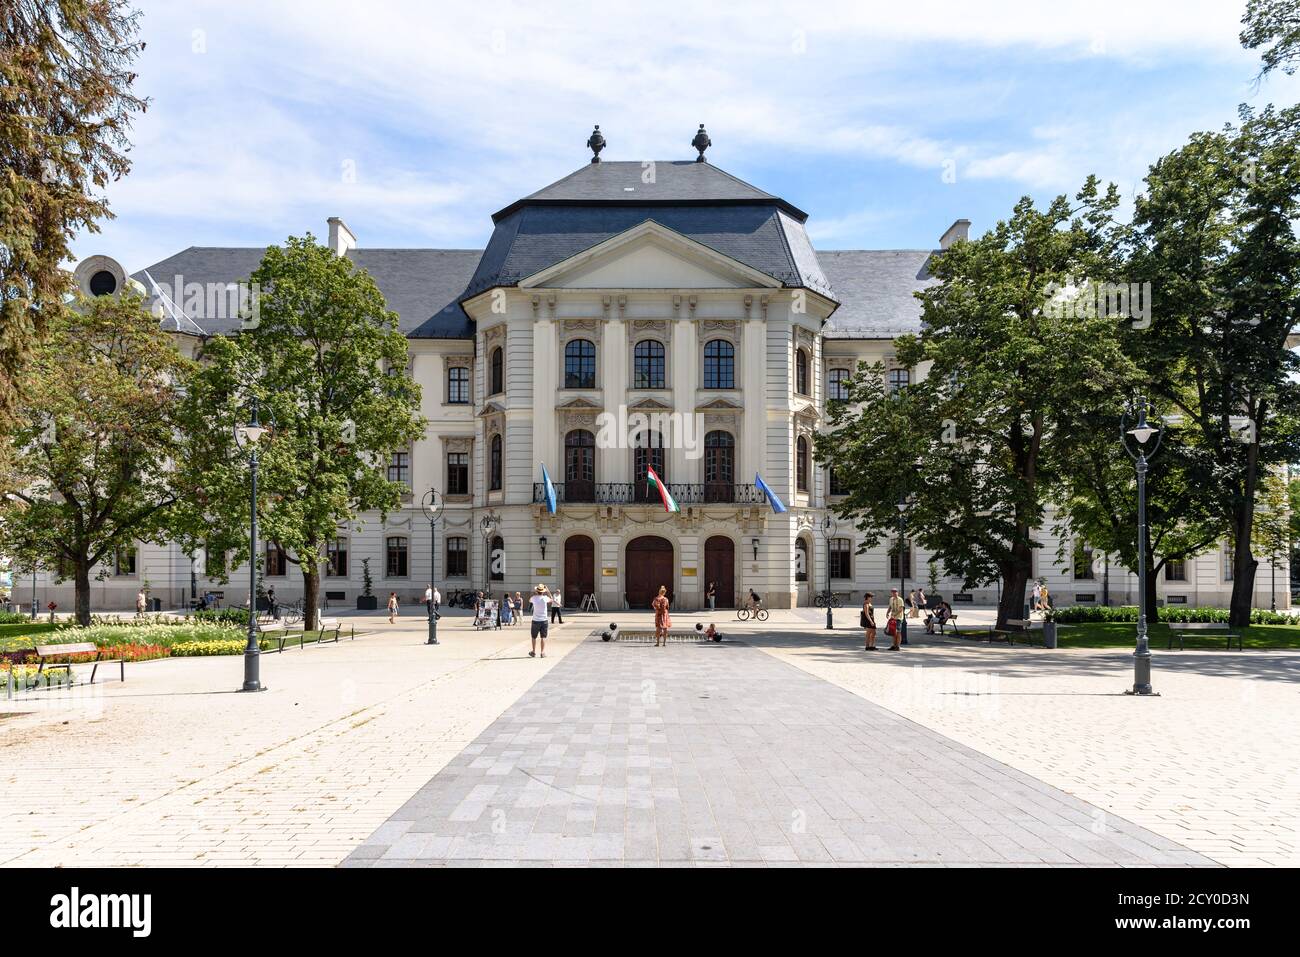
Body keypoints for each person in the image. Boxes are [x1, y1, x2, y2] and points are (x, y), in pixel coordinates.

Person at [528, 584, 552, 658]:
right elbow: (551, 599)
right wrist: (548, 591)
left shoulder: (534, 598)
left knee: (533, 637)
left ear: (537, 591)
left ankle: (533, 651)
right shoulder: (545, 598)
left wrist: (535, 592)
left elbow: (529, 600)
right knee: (543, 637)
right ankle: (542, 652)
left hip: (535, 620)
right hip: (544, 620)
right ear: (543, 592)